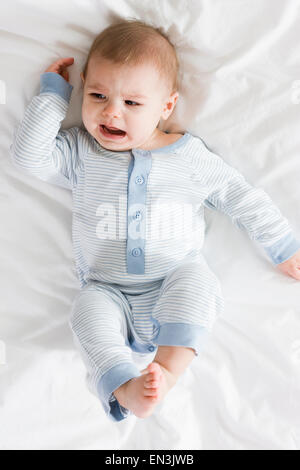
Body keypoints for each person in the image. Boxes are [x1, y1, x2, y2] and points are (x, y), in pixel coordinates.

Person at [10, 19, 300, 422]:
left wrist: (283, 246)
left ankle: (165, 372)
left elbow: (241, 197)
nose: (111, 112)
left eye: (132, 103)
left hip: (172, 279)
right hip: (106, 290)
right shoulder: (82, 152)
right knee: (85, 312)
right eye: (97, 95)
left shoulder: (190, 158)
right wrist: (53, 95)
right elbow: (30, 157)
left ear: (166, 106)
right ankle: (123, 384)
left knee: (199, 283)